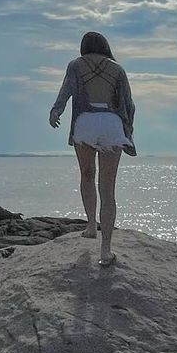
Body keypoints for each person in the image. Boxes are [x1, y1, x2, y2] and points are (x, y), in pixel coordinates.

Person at [49, 31, 135, 267]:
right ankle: (106, 250)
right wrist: (128, 132)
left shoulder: (75, 65)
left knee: (87, 175)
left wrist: (56, 111)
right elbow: (128, 104)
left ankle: (90, 227)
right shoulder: (117, 69)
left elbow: (65, 93)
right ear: (105, 46)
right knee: (108, 188)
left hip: (85, 123)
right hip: (111, 124)